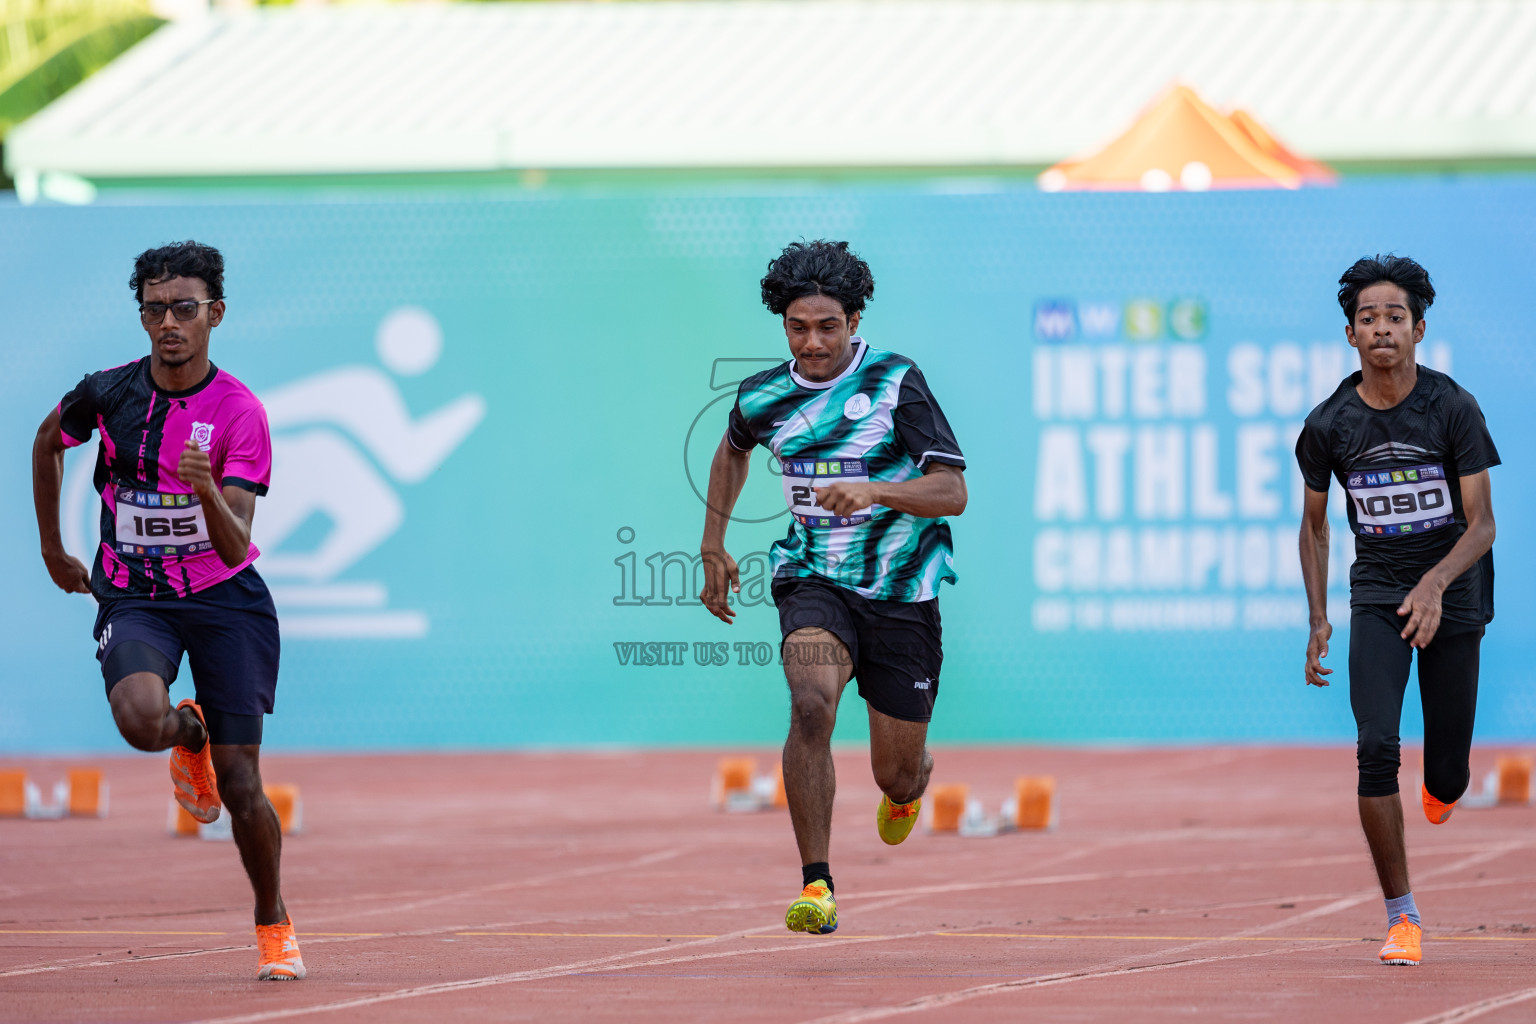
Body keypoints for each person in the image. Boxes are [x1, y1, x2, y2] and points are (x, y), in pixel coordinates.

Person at [31, 241, 305, 981]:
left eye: (185, 309)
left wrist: (205, 488)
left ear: (215, 314)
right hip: (138, 594)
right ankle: (189, 733)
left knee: (242, 784)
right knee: (140, 719)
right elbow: (45, 442)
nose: (168, 324)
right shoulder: (111, 393)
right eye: (154, 310)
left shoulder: (240, 412)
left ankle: (273, 921)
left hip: (225, 600)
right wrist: (54, 549)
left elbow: (239, 537)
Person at [699, 240, 967, 934]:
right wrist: (712, 545)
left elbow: (953, 491)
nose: (813, 342)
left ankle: (913, 781)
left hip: (902, 590)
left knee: (895, 775)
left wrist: (875, 487)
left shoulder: (895, 381)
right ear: (783, 325)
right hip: (813, 576)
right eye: (798, 327)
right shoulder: (763, 394)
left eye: (827, 326)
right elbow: (733, 449)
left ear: (853, 321)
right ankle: (816, 884)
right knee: (811, 704)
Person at [1296, 254, 1498, 968]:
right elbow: (1316, 525)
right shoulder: (1329, 425)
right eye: (1368, 318)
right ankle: (1402, 915)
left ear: (1418, 329)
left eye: (1395, 317)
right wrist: (1320, 616)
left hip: (1455, 594)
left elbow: (1482, 525)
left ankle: (1444, 787)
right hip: (1379, 596)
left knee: (1446, 778)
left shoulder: (1452, 408)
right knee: (1376, 746)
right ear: (1350, 335)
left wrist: (1438, 584)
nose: (1382, 328)